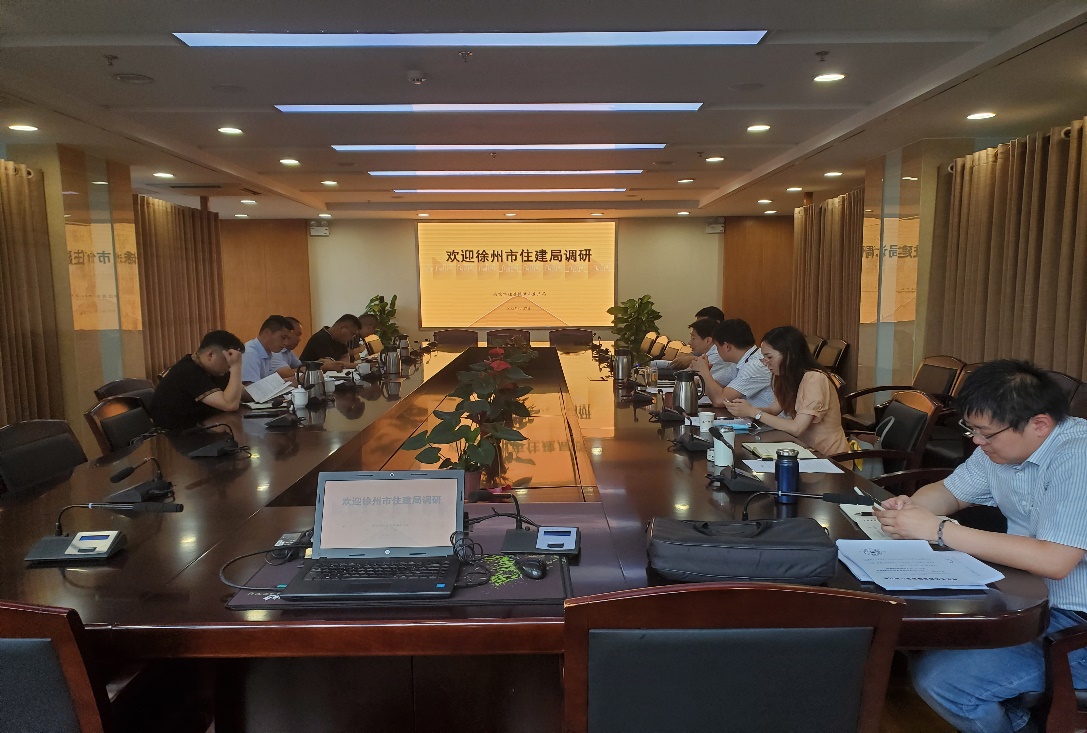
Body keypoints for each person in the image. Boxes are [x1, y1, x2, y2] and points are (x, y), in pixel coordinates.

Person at [875, 360, 1087, 733]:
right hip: (1029, 601)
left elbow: (1056, 560)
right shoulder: (1002, 448)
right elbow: (948, 492)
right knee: (924, 639)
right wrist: (912, 509)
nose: (976, 441)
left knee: (944, 681)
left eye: (986, 433)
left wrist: (938, 529)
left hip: (1076, 622)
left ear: (1040, 424)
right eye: (971, 429)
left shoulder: (1077, 456)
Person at [723, 325, 848, 456]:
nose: (766, 363)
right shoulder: (787, 376)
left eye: (769, 357)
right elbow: (773, 410)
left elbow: (797, 428)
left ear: (790, 354)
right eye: (764, 358)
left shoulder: (814, 379)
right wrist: (746, 410)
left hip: (828, 456)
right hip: (802, 449)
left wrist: (754, 412)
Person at [150, 330, 245, 430]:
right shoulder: (188, 371)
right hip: (176, 435)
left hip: (202, 427)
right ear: (210, 355)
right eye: (228, 359)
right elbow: (230, 405)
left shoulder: (213, 369)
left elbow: (241, 392)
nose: (230, 363)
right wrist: (236, 366)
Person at [691, 319, 774, 409]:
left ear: (727, 346)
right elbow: (718, 386)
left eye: (717, 346)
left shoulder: (755, 365)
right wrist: (704, 373)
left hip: (767, 417)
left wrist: (703, 372)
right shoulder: (739, 361)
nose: (717, 351)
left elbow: (719, 400)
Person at [240, 315, 292, 385]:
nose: (286, 343)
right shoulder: (250, 354)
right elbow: (250, 389)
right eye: (283, 337)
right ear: (266, 333)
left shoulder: (267, 352)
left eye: (288, 339)